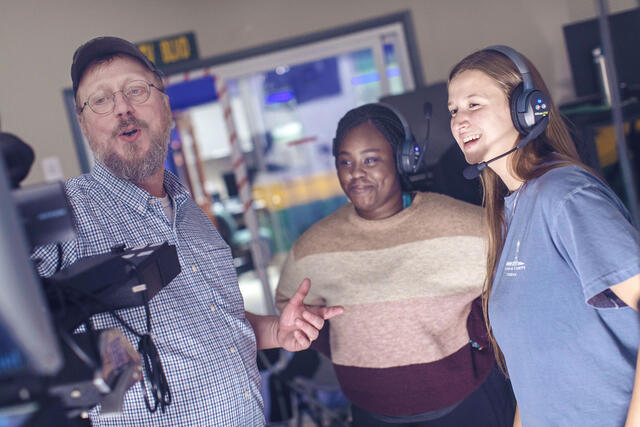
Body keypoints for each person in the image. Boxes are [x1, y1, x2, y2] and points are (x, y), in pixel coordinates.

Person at [32, 36, 343, 426]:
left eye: (136, 90)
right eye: (100, 100)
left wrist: (277, 331)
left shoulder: (188, 209)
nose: (123, 108)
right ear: (83, 123)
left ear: (164, 102)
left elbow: (217, 319)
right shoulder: (65, 215)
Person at [275, 103, 516, 426]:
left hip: (467, 406)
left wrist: (478, 336)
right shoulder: (312, 248)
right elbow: (291, 308)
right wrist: (347, 344)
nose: (355, 173)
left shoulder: (466, 225)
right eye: (345, 162)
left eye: (370, 160)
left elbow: (518, 287)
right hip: (371, 414)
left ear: (403, 160)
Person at [447, 45, 640, 426]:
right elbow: (535, 373)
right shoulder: (508, 212)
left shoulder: (566, 196)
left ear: (526, 108)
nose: (459, 121)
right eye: (454, 110)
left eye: (474, 104)